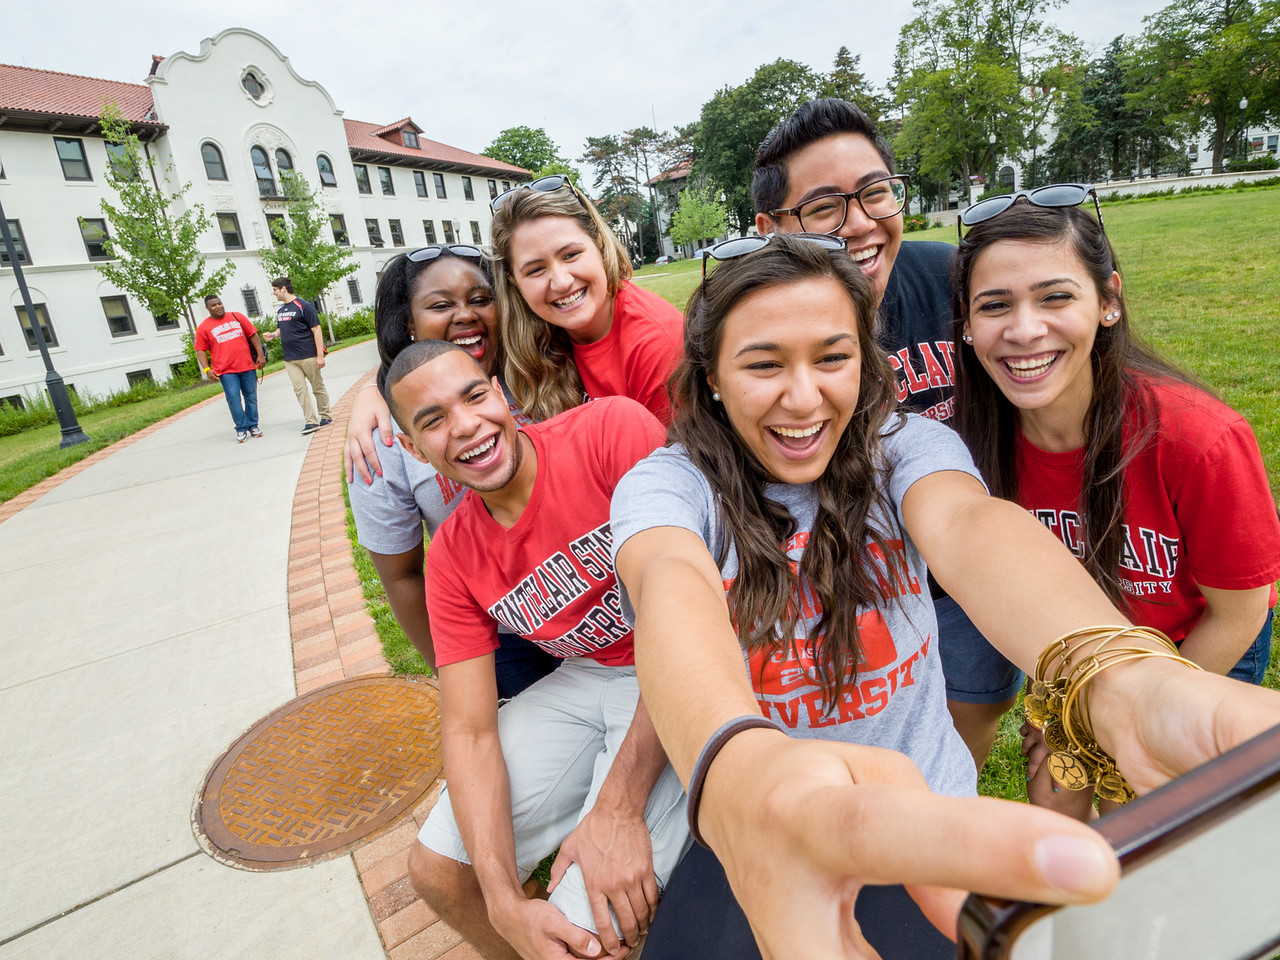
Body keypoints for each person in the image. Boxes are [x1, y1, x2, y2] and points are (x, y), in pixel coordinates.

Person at [607, 234, 1280, 960]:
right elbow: (671, 585)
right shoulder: (665, 487)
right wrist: (739, 776)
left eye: (833, 358)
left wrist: (1117, 674)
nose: (804, 398)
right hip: (763, 821)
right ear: (710, 375)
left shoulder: (906, 444)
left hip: (928, 816)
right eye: (764, 364)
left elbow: (968, 525)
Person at [950, 188, 1280, 817]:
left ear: (1108, 300)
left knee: (1163, 824)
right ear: (966, 325)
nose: (1023, 330)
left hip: (1199, 648)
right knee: (1054, 798)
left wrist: (1135, 706)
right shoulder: (974, 444)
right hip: (1078, 654)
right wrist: (1072, 707)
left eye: (1056, 297)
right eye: (994, 305)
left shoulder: (1198, 438)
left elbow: (1240, 614)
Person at [385, 339, 689, 960]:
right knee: (441, 872)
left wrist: (618, 810)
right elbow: (470, 732)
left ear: (501, 392)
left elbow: (696, 625)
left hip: (688, 661)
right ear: (414, 450)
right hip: (589, 675)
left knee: (593, 925)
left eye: (473, 396)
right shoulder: (452, 556)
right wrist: (503, 902)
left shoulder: (610, 432)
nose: (466, 426)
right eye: (433, 420)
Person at [753, 97, 1015, 768]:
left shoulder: (957, 281)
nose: (862, 225)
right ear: (770, 227)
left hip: (967, 570)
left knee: (968, 719)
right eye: (824, 208)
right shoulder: (752, 323)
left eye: (876, 194)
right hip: (853, 579)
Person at [347, 245, 558, 696]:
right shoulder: (383, 440)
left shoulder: (541, 373)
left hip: (604, 603)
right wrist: (457, 677)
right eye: (441, 305)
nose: (466, 314)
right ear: (408, 324)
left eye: (481, 299)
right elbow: (401, 575)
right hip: (503, 637)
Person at [489, 175, 684, 424]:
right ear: (514, 281)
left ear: (600, 245)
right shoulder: (534, 337)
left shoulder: (657, 344)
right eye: (536, 270)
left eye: (570, 255)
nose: (561, 282)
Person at [194, 294, 266, 442]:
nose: (218, 306)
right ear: (207, 308)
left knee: (251, 397)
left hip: (246, 366)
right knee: (233, 399)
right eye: (213, 305)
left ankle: (253, 425)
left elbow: (253, 335)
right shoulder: (203, 327)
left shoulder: (237, 316)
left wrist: (260, 355)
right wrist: (207, 369)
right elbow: (200, 350)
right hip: (225, 371)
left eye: (219, 303)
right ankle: (241, 428)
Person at [266, 277, 332, 435]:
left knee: (317, 387)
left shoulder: (304, 306)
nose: (273, 293)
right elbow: (282, 328)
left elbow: (316, 329)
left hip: (307, 354)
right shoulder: (281, 310)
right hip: (290, 359)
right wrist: (273, 335)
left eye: (275, 289)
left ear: (283, 289)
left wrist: (320, 355)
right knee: (300, 390)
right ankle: (311, 421)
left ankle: (326, 416)